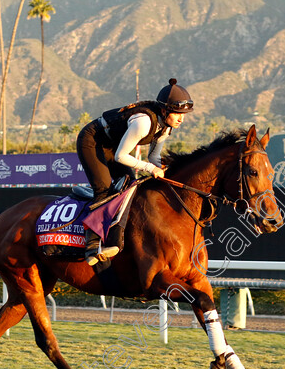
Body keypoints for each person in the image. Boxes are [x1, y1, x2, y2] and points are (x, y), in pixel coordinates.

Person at [65, 78, 193, 266]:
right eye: (177, 114)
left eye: (184, 114)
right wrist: (151, 169)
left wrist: (163, 168)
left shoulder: (165, 127)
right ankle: (92, 245)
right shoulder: (143, 122)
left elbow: (154, 158)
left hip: (113, 145)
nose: (181, 119)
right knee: (104, 188)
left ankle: (117, 237)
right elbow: (121, 157)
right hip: (93, 141)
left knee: (129, 187)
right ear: (164, 110)